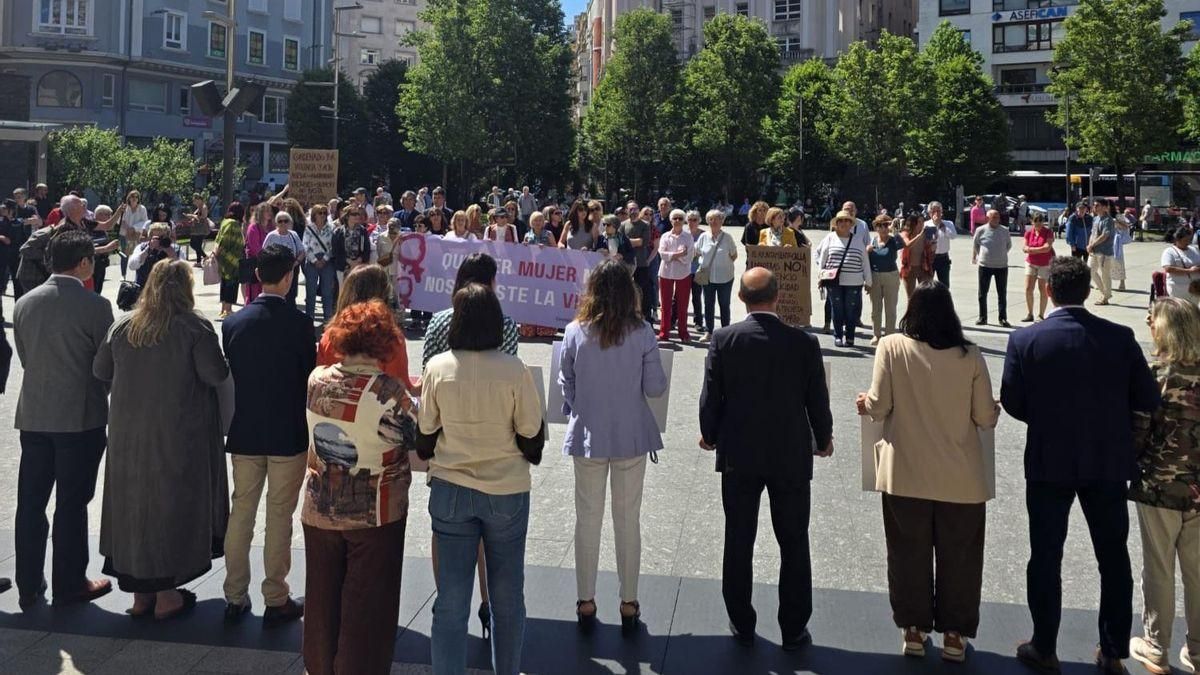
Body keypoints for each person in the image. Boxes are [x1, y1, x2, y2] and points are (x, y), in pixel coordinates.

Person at [1000, 256, 1160, 674]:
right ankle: (1111, 651)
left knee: (1046, 554)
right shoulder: (1121, 337)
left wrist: (1049, 415)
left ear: (1048, 291)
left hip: (1049, 457)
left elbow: (1014, 402)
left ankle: (1045, 644)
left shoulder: (1026, 340)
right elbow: (1147, 398)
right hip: (1106, 458)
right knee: (1113, 557)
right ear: (1088, 291)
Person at [855, 281, 999, 662]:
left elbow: (879, 406)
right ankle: (955, 634)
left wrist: (865, 403)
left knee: (907, 553)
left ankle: (914, 630)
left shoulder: (891, 346)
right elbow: (985, 417)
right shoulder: (970, 355)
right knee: (961, 558)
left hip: (906, 470)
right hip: (962, 476)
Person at [698, 267, 833, 651]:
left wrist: (709, 435)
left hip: (740, 453)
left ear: (741, 299)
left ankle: (741, 621)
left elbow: (711, 397)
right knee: (794, 541)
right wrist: (823, 439)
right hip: (789, 454)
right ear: (778, 297)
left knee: (739, 538)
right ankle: (793, 626)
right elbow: (816, 402)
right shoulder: (804, 343)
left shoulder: (725, 339)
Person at [418, 283, 545, 675]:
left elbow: (424, 437)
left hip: (451, 489)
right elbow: (531, 437)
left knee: (450, 602)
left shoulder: (437, 368)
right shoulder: (514, 370)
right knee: (508, 600)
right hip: (505, 489)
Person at [93, 259, 228, 620]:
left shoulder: (124, 325)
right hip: (177, 432)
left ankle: (140, 597)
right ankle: (167, 596)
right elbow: (215, 372)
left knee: (132, 507)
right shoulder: (193, 326)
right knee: (169, 506)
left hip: (127, 434)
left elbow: (99, 370)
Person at [303, 300, 416, 675]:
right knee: (367, 609)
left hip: (320, 507)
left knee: (321, 602)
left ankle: (319, 668)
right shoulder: (388, 392)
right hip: (375, 512)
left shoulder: (317, 379)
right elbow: (417, 441)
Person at [559, 260, 666, 634]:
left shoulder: (575, 331)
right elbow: (655, 387)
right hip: (630, 436)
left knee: (587, 520)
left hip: (588, 434)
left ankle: (585, 600)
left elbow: (566, 383)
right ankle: (629, 602)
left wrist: (583, 403)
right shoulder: (642, 333)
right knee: (627, 520)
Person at [12, 230, 114, 609]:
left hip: (35, 415)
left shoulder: (24, 303)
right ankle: (70, 582)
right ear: (85, 262)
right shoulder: (95, 306)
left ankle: (27, 582)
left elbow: (26, 357)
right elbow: (106, 366)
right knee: (72, 503)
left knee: (31, 502)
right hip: (80, 418)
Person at [220, 245, 315, 625]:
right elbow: (308, 376)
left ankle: (233, 594)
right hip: (287, 431)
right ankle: (275, 596)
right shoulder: (300, 323)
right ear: (290, 277)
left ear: (258, 275)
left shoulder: (233, 323)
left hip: (245, 429)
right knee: (279, 516)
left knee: (241, 511)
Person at [1127, 298, 1200, 674]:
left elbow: (1139, 431)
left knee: (1158, 566)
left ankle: (1156, 644)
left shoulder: (1158, 373)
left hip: (1160, 483)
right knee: (1198, 569)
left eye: (1152, 319)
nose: (1148, 323)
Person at [318, 265, 416, 390]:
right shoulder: (391, 338)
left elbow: (320, 382)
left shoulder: (329, 336)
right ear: (382, 296)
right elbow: (400, 387)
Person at [423, 253, 519, 367]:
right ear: (491, 282)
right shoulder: (507, 325)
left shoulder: (438, 322)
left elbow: (427, 370)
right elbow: (509, 370)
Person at [817, 210, 871, 347]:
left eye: (847, 221)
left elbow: (865, 262)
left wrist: (868, 281)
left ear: (851, 224)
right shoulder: (830, 238)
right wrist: (820, 276)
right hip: (833, 281)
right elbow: (822, 258)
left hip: (854, 281)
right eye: (840, 221)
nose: (844, 223)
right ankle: (838, 336)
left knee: (850, 310)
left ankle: (850, 336)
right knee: (837, 309)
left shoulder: (858, 240)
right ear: (836, 223)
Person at [695, 209, 737, 340]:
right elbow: (696, 253)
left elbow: (734, 255)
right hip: (708, 278)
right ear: (707, 221)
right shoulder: (703, 237)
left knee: (724, 305)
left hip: (725, 277)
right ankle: (709, 331)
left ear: (722, 221)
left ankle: (725, 332)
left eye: (717, 219)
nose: (714, 222)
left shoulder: (727, 237)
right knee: (708, 304)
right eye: (711, 219)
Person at [657, 209, 694, 342]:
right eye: (675, 218)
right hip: (666, 273)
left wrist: (671, 256)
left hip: (683, 273)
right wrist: (677, 255)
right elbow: (662, 254)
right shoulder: (665, 236)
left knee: (682, 305)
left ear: (683, 220)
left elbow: (689, 255)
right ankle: (664, 333)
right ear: (671, 220)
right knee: (665, 305)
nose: (677, 221)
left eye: (680, 218)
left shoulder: (688, 237)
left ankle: (683, 333)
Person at [972, 208, 1012, 327]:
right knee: (982, 293)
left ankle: (1003, 318)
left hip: (1001, 266)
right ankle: (982, 317)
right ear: (987, 218)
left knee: (1002, 293)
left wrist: (999, 255)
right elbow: (976, 245)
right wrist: (981, 256)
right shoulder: (980, 230)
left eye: (998, 217)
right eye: (994, 217)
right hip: (985, 266)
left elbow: (1008, 245)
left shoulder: (1005, 230)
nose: (996, 219)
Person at [866, 215, 902, 345]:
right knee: (876, 308)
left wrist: (894, 229)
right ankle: (876, 334)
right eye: (880, 225)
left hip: (891, 275)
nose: (883, 228)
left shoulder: (893, 241)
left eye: (886, 225)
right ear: (875, 227)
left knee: (890, 307)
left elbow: (902, 243)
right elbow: (865, 262)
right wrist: (866, 252)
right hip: (875, 276)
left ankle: (889, 335)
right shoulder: (872, 242)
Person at [263, 210, 306, 307]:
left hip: (291, 270)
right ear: (276, 223)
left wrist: (296, 263)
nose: (283, 223)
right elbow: (264, 253)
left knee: (291, 297)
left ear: (290, 222)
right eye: (280, 221)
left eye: (285, 221)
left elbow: (302, 251)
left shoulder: (294, 235)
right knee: (276, 298)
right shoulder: (271, 236)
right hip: (275, 272)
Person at [303, 203, 337, 323]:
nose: (322, 215)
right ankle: (309, 320)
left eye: (324, 213)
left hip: (327, 261)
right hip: (312, 261)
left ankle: (327, 320)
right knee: (310, 291)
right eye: (320, 213)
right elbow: (305, 246)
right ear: (314, 215)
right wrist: (314, 260)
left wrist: (325, 259)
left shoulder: (331, 228)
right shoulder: (309, 228)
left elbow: (333, 246)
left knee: (327, 292)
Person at [214, 202, 246, 319]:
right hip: (232, 259)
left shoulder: (224, 222)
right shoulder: (233, 224)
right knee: (231, 285)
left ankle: (223, 309)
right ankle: (228, 310)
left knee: (224, 283)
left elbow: (218, 239)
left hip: (224, 260)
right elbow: (224, 241)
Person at [622, 205, 655, 322]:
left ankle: (645, 318)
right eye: (630, 209)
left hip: (641, 263)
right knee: (625, 291)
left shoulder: (645, 225)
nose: (633, 211)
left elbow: (643, 242)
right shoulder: (623, 225)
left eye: (636, 209)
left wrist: (627, 241)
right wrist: (634, 241)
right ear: (627, 211)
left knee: (642, 292)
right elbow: (620, 242)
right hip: (626, 263)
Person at [1160, 226, 1200, 303]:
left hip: (1196, 288)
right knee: (1181, 310)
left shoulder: (1194, 249)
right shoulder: (1169, 251)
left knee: (1193, 310)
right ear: (1177, 240)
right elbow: (1168, 268)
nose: (1188, 242)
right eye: (1185, 240)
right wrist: (1189, 271)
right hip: (1178, 289)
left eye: (1189, 239)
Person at [1088, 199, 1116, 306]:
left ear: (1105, 207)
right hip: (1094, 251)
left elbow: (1104, 236)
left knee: (1105, 275)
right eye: (1094, 205)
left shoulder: (1108, 220)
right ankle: (1105, 293)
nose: (1095, 207)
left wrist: (1092, 244)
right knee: (1090, 271)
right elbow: (1093, 233)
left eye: (1097, 205)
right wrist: (1089, 244)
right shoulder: (1095, 219)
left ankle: (1105, 297)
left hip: (1104, 252)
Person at [243, 202, 272, 304]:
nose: (269, 213)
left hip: (264, 265)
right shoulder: (253, 227)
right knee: (253, 294)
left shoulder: (269, 227)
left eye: (269, 210)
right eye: (266, 210)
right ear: (260, 213)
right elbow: (255, 248)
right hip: (254, 264)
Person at [898, 214, 933, 299]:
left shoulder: (926, 234)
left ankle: (923, 312)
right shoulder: (905, 234)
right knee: (911, 298)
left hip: (923, 268)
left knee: (925, 296)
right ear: (913, 223)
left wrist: (933, 244)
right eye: (919, 222)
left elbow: (930, 251)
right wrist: (919, 235)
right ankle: (911, 312)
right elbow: (907, 245)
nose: (921, 224)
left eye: (922, 222)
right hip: (909, 269)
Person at [924, 202, 956, 287]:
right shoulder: (925, 224)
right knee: (928, 285)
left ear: (941, 212)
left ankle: (943, 300)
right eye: (933, 211)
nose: (936, 213)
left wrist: (943, 227)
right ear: (930, 213)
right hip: (930, 258)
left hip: (943, 258)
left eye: (938, 211)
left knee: (944, 285)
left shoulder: (948, 223)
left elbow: (953, 236)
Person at [1112, 213, 1133, 292]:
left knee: (1119, 263)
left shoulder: (1119, 216)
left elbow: (1126, 226)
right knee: (1107, 264)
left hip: (1117, 243)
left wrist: (1117, 222)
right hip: (1108, 242)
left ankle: (1122, 283)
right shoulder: (1103, 216)